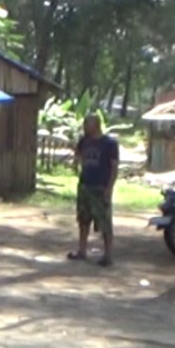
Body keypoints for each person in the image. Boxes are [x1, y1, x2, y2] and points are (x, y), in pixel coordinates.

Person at [71, 113, 119, 266]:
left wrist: (109, 187)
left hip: (100, 187)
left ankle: (108, 255)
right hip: (85, 185)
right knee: (83, 220)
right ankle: (82, 250)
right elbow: (77, 156)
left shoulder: (109, 144)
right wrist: (77, 163)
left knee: (104, 222)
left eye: (87, 124)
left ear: (96, 125)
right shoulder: (83, 141)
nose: (84, 126)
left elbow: (114, 167)